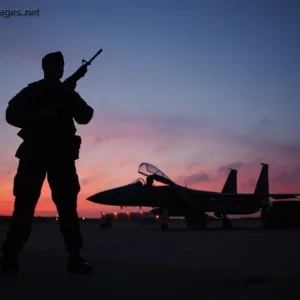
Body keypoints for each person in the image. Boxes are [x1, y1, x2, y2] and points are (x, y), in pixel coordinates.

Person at [0, 52, 94, 274]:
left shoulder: (66, 92)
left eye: (62, 65)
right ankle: (10, 256)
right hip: (34, 155)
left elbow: (86, 116)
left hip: (61, 157)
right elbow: (10, 114)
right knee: (24, 206)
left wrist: (69, 95)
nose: (60, 69)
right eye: (56, 65)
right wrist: (39, 115)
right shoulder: (32, 91)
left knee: (68, 208)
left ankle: (74, 256)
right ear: (45, 67)